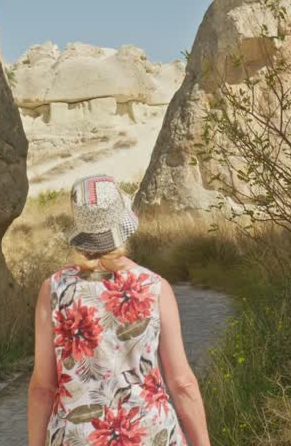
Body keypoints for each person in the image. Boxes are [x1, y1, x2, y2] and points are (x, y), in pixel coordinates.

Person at [27, 174, 210, 446]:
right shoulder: (155, 287)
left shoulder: (53, 290)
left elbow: (43, 387)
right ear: (122, 225)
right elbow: (182, 383)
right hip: (150, 434)